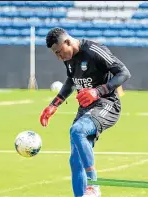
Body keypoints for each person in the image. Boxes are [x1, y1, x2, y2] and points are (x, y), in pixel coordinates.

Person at [39, 28, 131, 197]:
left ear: (67, 41)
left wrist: (98, 91)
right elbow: (71, 81)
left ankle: (93, 185)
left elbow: (124, 73)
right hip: (86, 109)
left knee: (77, 130)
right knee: (75, 161)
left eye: (59, 52)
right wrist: (54, 105)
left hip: (107, 103)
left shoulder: (94, 50)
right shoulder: (68, 58)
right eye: (56, 54)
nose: (59, 57)